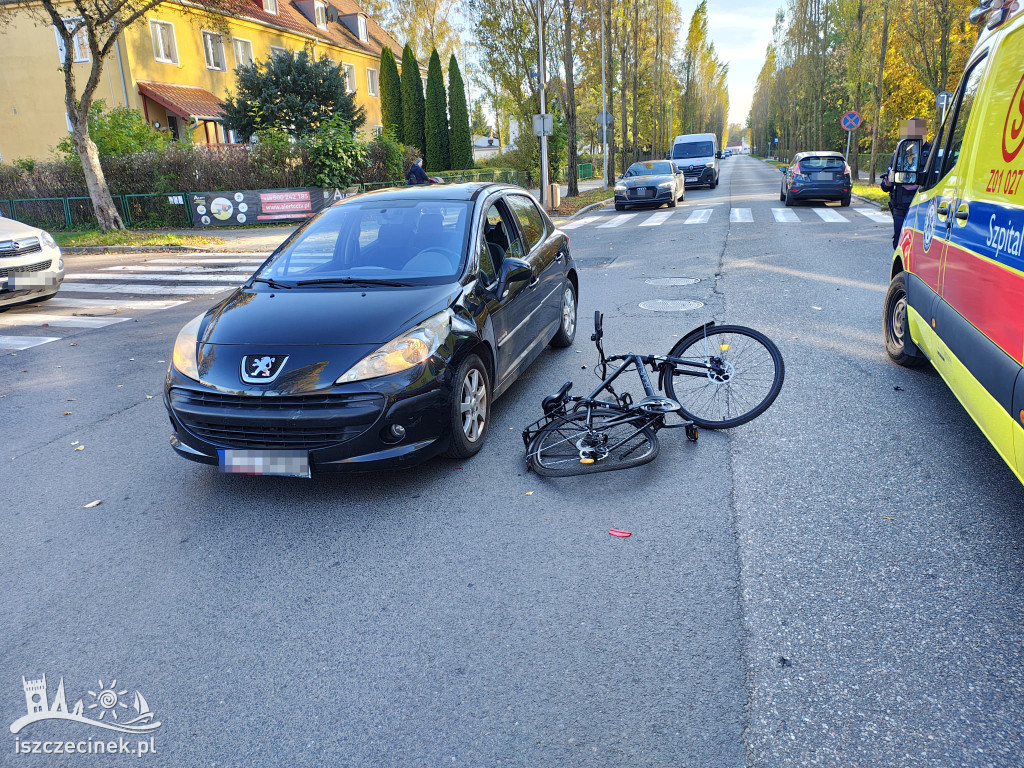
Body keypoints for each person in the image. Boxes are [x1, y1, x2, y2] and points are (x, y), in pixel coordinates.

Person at [880, 118, 929, 249]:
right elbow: (886, 185)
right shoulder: (899, 153)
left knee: (919, 247)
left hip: (923, 208)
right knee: (899, 245)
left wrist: (918, 185)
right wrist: (888, 183)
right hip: (900, 208)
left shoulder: (932, 154)